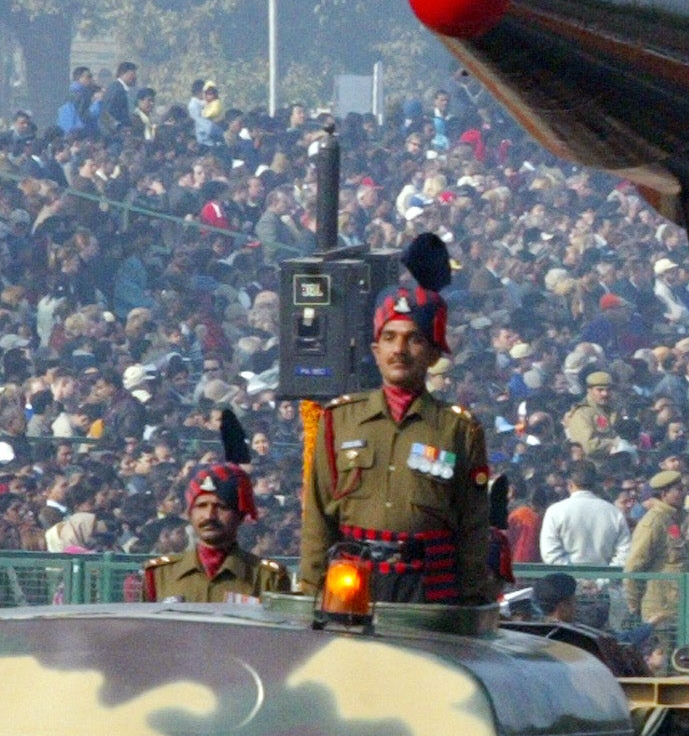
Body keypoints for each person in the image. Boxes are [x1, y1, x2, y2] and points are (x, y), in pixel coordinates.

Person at [298, 241, 495, 604]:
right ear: (375, 351)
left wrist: (469, 604)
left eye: (413, 339)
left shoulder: (459, 431)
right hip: (352, 581)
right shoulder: (340, 420)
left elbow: (472, 529)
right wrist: (310, 594)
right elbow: (317, 518)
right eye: (388, 338)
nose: (398, 351)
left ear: (434, 354)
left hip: (429, 589)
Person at [140, 423, 292, 603]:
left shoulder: (267, 579)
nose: (209, 516)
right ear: (189, 514)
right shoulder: (160, 576)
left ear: (240, 515)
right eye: (201, 506)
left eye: (221, 507)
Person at [624, 468, 689, 630]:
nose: (684, 493)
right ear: (664, 494)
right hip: (660, 611)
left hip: (677, 608)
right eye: (679, 490)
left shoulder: (674, 519)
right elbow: (634, 565)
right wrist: (633, 604)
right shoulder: (653, 522)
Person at [539, 463, 628, 566]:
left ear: (570, 484)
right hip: (607, 578)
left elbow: (550, 554)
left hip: (565, 580)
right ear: (595, 483)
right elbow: (624, 553)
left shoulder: (555, 511)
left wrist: (573, 577)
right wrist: (603, 580)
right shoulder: (614, 512)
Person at [564, 370, 625, 457]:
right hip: (596, 466)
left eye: (608, 390)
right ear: (589, 390)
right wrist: (617, 444)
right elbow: (588, 446)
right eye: (600, 390)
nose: (605, 393)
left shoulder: (614, 410)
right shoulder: (582, 414)